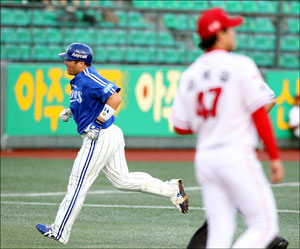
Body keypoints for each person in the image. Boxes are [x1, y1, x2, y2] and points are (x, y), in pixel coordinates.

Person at [35, 43, 189, 244]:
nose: (65, 62)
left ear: (81, 62)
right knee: (122, 180)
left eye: (69, 60)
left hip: (100, 136)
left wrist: (97, 123)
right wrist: (71, 111)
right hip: (109, 135)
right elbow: (90, 102)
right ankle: (172, 190)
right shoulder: (80, 79)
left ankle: (59, 230)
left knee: (77, 184)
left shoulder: (89, 77)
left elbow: (115, 99)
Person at [172, 8, 285, 248]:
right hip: (235, 154)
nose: (234, 33)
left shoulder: (190, 74)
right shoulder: (240, 64)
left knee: (220, 231)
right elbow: (260, 113)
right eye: (230, 28)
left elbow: (180, 127)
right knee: (265, 226)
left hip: (205, 159)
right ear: (220, 34)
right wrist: (274, 157)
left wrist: (215, 122)